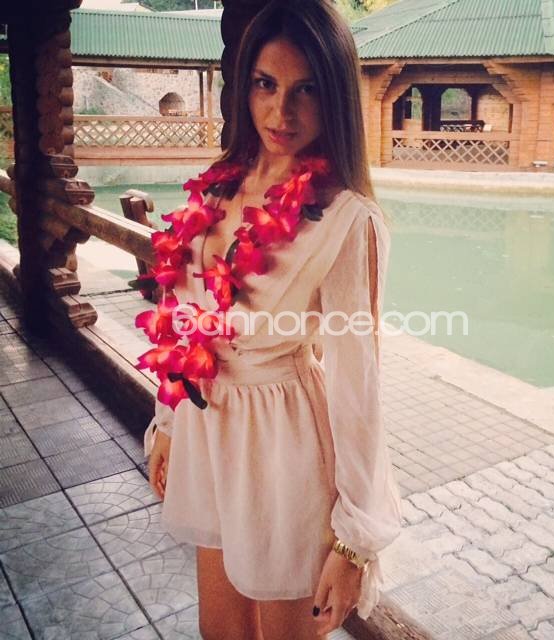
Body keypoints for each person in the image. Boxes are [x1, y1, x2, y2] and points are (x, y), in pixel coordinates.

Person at [142, 1, 402, 638]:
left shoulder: (346, 220)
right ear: (244, 85)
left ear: (334, 95)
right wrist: (170, 422)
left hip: (284, 447)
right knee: (220, 631)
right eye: (266, 84)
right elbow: (182, 317)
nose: (281, 113)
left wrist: (354, 541)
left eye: (305, 89)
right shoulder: (217, 188)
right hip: (207, 432)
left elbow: (358, 386)